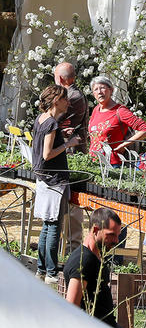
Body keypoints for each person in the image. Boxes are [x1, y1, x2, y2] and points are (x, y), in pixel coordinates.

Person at [32, 85, 82, 283]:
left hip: (43, 178)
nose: (68, 102)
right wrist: (69, 144)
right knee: (53, 226)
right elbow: (47, 154)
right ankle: (51, 273)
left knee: (47, 225)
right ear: (55, 101)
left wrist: (61, 134)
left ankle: (42, 269)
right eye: (64, 99)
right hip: (54, 180)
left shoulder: (42, 119)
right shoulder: (51, 123)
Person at [63, 208, 122, 328]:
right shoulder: (84, 261)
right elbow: (71, 308)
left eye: (118, 235)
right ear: (95, 230)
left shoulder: (97, 255)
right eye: (111, 235)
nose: (116, 240)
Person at [53, 62, 87, 253]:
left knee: (73, 203)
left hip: (72, 154)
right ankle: (60, 244)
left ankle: (73, 247)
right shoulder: (70, 94)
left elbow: (56, 122)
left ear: (60, 78)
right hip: (67, 151)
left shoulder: (72, 97)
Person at [87, 75, 146, 167]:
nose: (99, 92)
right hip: (93, 162)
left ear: (111, 90)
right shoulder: (96, 110)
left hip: (112, 164)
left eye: (102, 88)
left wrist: (123, 145)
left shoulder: (120, 111)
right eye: (96, 89)